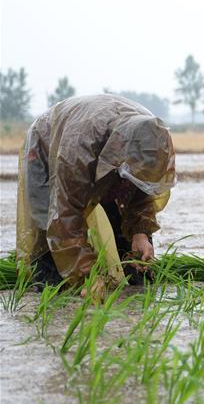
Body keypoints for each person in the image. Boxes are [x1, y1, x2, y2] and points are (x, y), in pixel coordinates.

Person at [16, 95, 177, 299]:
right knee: (48, 230)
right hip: (48, 143)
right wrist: (87, 275)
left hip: (105, 144)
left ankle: (133, 282)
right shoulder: (77, 154)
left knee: (133, 254)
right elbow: (64, 217)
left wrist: (140, 233)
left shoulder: (150, 138)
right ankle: (52, 286)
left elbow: (141, 185)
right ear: (120, 153)